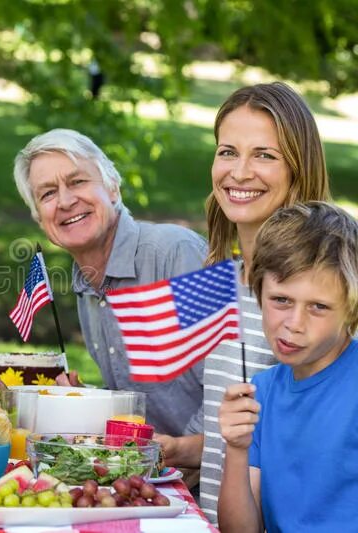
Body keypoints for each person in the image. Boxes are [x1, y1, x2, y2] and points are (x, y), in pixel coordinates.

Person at [159, 82, 330, 525]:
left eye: (265, 155)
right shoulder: (217, 280)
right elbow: (240, 432)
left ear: (299, 167)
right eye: (228, 151)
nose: (239, 172)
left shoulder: (320, 295)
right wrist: (181, 449)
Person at [12, 128, 208, 438]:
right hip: (150, 475)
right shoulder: (87, 284)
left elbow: (233, 388)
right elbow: (139, 400)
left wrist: (182, 455)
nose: (65, 201)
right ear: (39, 217)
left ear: (113, 188)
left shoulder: (174, 254)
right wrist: (88, 401)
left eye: (77, 182)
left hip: (209, 475)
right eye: (47, 193)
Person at [217, 202, 358, 533]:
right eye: (281, 300)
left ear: (350, 312)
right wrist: (237, 449)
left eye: (318, 307)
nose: (294, 324)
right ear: (259, 292)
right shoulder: (261, 389)